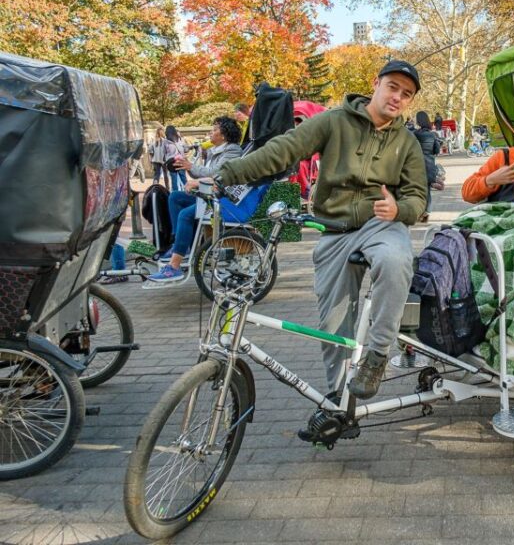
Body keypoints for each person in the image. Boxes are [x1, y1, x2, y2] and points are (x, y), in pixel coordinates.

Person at [214, 59, 427, 400]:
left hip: (381, 224)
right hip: (334, 229)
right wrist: (229, 173)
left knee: (396, 261)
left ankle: (377, 354)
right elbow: (283, 150)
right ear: (375, 83)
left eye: (407, 93)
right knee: (333, 325)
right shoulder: (333, 121)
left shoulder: (408, 142)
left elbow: (418, 197)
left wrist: (399, 208)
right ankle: (338, 400)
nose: (398, 97)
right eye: (393, 87)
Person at [148, 116, 245, 282]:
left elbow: (217, 174)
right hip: (210, 195)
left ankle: (175, 266)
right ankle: (180, 244)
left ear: (224, 135)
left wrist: (192, 169)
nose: (211, 133)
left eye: (214, 130)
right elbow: (203, 172)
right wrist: (187, 166)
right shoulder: (216, 150)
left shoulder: (232, 151)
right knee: (175, 197)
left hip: (222, 199)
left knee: (185, 214)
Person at [412, 111, 441, 222]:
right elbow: (436, 150)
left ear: (419, 121)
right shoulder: (432, 135)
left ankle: (418, 212)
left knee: (416, 190)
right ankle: (426, 214)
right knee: (427, 190)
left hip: (417, 165)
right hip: (429, 166)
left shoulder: (414, 134)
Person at [164, 125, 187, 191]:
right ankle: (189, 193)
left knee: (174, 181)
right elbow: (185, 149)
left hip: (171, 163)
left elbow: (164, 153)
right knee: (184, 179)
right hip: (180, 161)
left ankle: (175, 194)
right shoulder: (179, 139)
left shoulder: (165, 142)